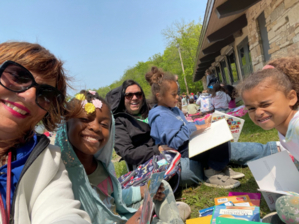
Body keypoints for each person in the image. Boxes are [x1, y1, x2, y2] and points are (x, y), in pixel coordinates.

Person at [106, 79, 279, 188]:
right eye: (129, 95)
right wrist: (156, 150)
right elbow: (128, 153)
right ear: (123, 98)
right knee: (190, 169)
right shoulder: (120, 122)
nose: (134, 98)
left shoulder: (152, 109)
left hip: (180, 148)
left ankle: (271, 150)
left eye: (138, 94)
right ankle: (212, 168)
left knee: (221, 143)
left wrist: (198, 125)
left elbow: (179, 123)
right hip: (158, 159)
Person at [56, 90, 186, 224]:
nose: (95, 127)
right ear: (66, 124)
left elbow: (114, 197)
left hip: (121, 216)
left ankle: (171, 218)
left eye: (104, 124)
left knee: (159, 185)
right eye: (84, 119)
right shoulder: (63, 177)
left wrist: (143, 191)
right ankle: (170, 214)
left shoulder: (102, 166)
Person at [0, 42, 90, 223]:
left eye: (45, 94)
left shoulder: (47, 161)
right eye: (18, 76)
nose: (30, 95)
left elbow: (62, 212)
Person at [146, 66, 242, 189]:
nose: (177, 97)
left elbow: (185, 126)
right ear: (159, 96)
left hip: (187, 144)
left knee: (220, 134)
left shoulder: (173, 109)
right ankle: (212, 172)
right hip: (179, 151)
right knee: (215, 140)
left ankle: (220, 166)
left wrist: (202, 122)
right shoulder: (161, 115)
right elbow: (174, 142)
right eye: (173, 94)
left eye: (177, 94)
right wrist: (195, 127)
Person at [239, 57, 299, 224]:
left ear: (291, 97)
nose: (258, 112)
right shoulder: (285, 128)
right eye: (251, 108)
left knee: (285, 206)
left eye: (265, 104)